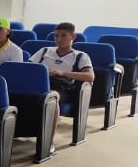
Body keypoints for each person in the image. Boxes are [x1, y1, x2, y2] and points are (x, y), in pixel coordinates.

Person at [31, 22, 94, 152]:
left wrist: (62, 72)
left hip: (62, 87)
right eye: (56, 36)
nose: (59, 39)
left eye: (63, 36)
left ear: (73, 37)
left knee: (51, 97)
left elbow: (90, 76)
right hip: (40, 82)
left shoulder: (80, 56)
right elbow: (28, 67)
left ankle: (49, 142)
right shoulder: (45, 51)